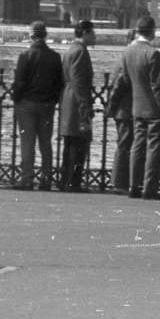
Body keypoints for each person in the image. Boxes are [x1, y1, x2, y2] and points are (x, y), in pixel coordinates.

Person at [10, 21, 64, 191]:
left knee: (28, 143)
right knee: (45, 143)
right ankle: (46, 179)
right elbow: (59, 84)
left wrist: (16, 100)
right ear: (45, 35)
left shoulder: (25, 55)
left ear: (32, 35)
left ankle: (26, 179)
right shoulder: (55, 57)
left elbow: (19, 82)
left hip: (27, 104)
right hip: (47, 104)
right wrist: (53, 101)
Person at [122, 15, 160, 200]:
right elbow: (157, 84)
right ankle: (149, 188)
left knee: (137, 145)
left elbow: (126, 79)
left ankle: (134, 185)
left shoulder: (127, 51)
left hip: (137, 105)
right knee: (154, 147)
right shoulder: (153, 54)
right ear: (151, 31)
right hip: (154, 108)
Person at [58, 20, 97, 192]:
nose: (94, 36)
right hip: (77, 102)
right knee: (79, 143)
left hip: (68, 99)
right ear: (86, 33)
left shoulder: (71, 50)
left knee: (70, 143)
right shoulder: (80, 51)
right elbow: (78, 80)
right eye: (93, 33)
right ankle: (73, 182)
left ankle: (66, 180)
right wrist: (85, 105)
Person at [108, 30, 136, 195]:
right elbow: (120, 83)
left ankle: (120, 181)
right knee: (124, 145)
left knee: (124, 144)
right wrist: (112, 105)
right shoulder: (129, 56)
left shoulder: (123, 56)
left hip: (123, 108)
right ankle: (119, 182)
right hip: (126, 108)